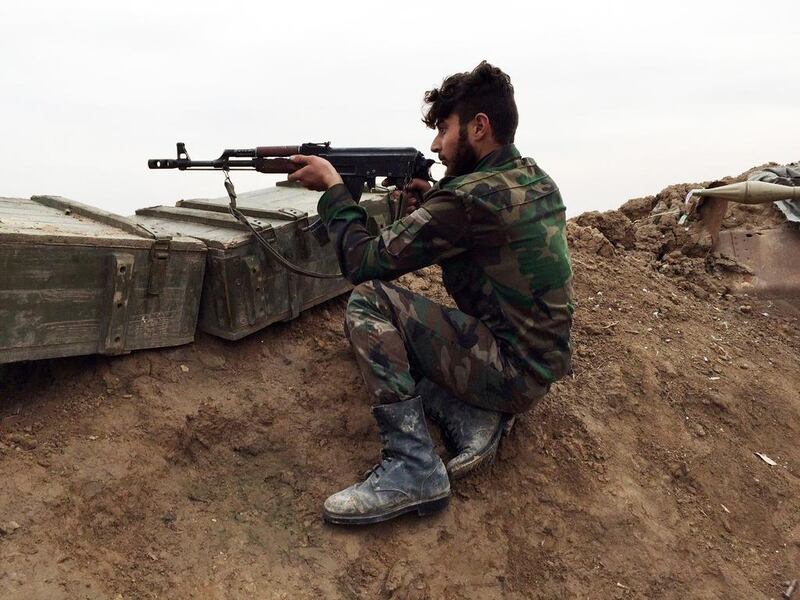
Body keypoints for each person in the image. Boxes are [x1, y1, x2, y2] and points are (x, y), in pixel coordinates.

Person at [287, 61, 574, 525]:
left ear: (479, 127)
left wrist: (335, 189)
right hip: (537, 366)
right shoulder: (533, 178)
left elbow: (363, 263)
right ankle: (473, 410)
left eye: (444, 129)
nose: (436, 144)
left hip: (510, 373)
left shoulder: (463, 202)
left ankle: (413, 465)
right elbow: (480, 224)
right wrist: (434, 197)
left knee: (371, 301)